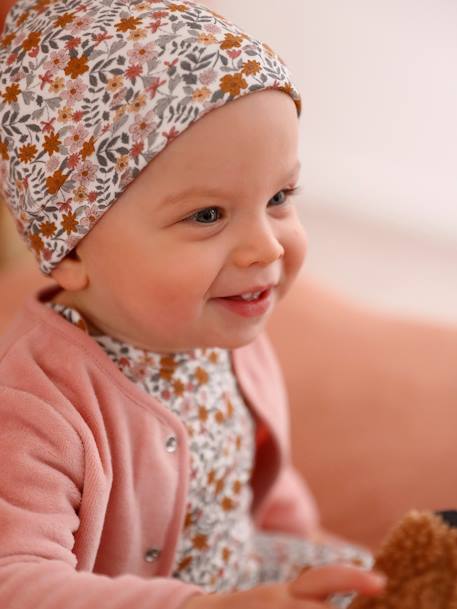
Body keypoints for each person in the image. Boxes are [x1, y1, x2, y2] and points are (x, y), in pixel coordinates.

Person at [0, 1, 386, 608]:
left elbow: (255, 479)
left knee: (391, 581)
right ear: (71, 252)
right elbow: (16, 580)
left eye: (281, 196)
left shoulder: (228, 325)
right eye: (207, 215)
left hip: (246, 570)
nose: (265, 246)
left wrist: (310, 543)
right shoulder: (33, 407)